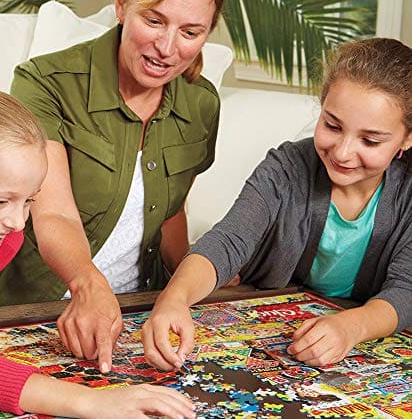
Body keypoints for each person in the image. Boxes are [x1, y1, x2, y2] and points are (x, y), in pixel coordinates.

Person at [0, 0, 233, 374]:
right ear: (120, 2)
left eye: (190, 32)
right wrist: (89, 286)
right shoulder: (43, 83)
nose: (167, 48)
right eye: (154, 20)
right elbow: (53, 212)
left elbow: (171, 211)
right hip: (36, 307)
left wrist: (193, 284)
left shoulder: (202, 103)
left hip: (140, 309)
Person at [0, 91, 196, 419]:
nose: (17, 222)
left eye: (28, 201)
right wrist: (95, 402)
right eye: (1, 201)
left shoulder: (1, 241)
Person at [141, 38, 412, 370]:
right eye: (332, 125)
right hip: (278, 333)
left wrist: (351, 327)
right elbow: (228, 240)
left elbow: (406, 289)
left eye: (369, 140)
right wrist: (174, 298)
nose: (343, 153)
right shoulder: (287, 167)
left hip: (367, 343)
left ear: (407, 137)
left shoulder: (406, 195)